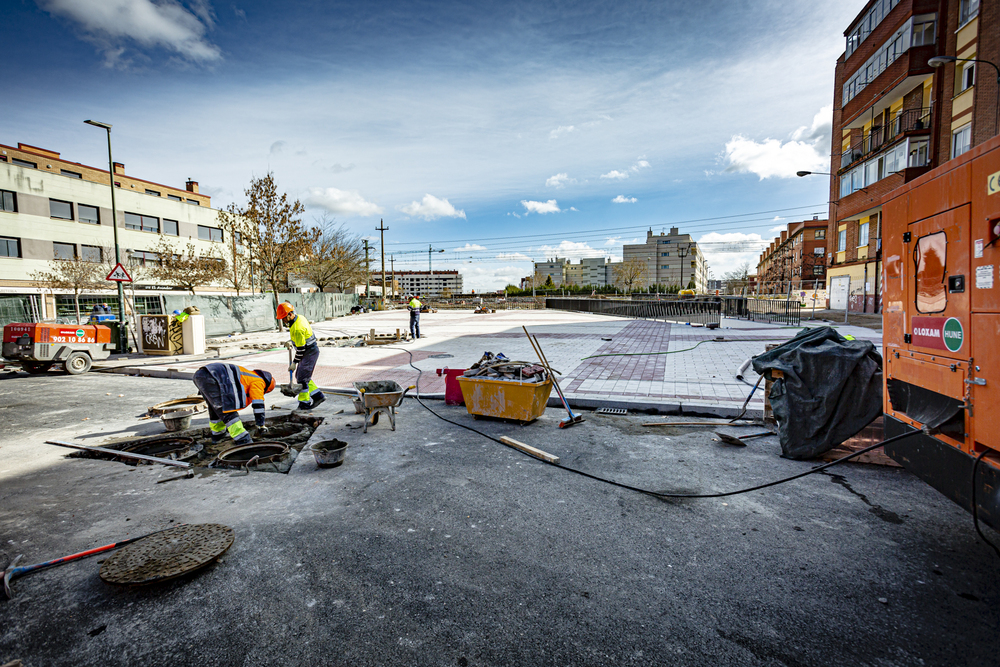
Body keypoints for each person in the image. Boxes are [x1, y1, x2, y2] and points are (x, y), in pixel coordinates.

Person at [192, 363, 276, 445]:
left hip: (201, 375)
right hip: (212, 376)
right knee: (227, 408)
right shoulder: (259, 381)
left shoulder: (249, 376)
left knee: (215, 408)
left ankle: (218, 435)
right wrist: (261, 424)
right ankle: (242, 439)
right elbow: (258, 404)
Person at [276, 301, 326, 410]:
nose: (283, 321)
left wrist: (294, 363)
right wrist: (291, 341)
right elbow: (302, 338)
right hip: (308, 350)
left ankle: (304, 404)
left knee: (302, 379)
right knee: (301, 376)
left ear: (290, 314)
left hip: (309, 352)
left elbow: (301, 349)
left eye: (284, 318)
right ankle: (318, 396)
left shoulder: (297, 328)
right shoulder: (300, 318)